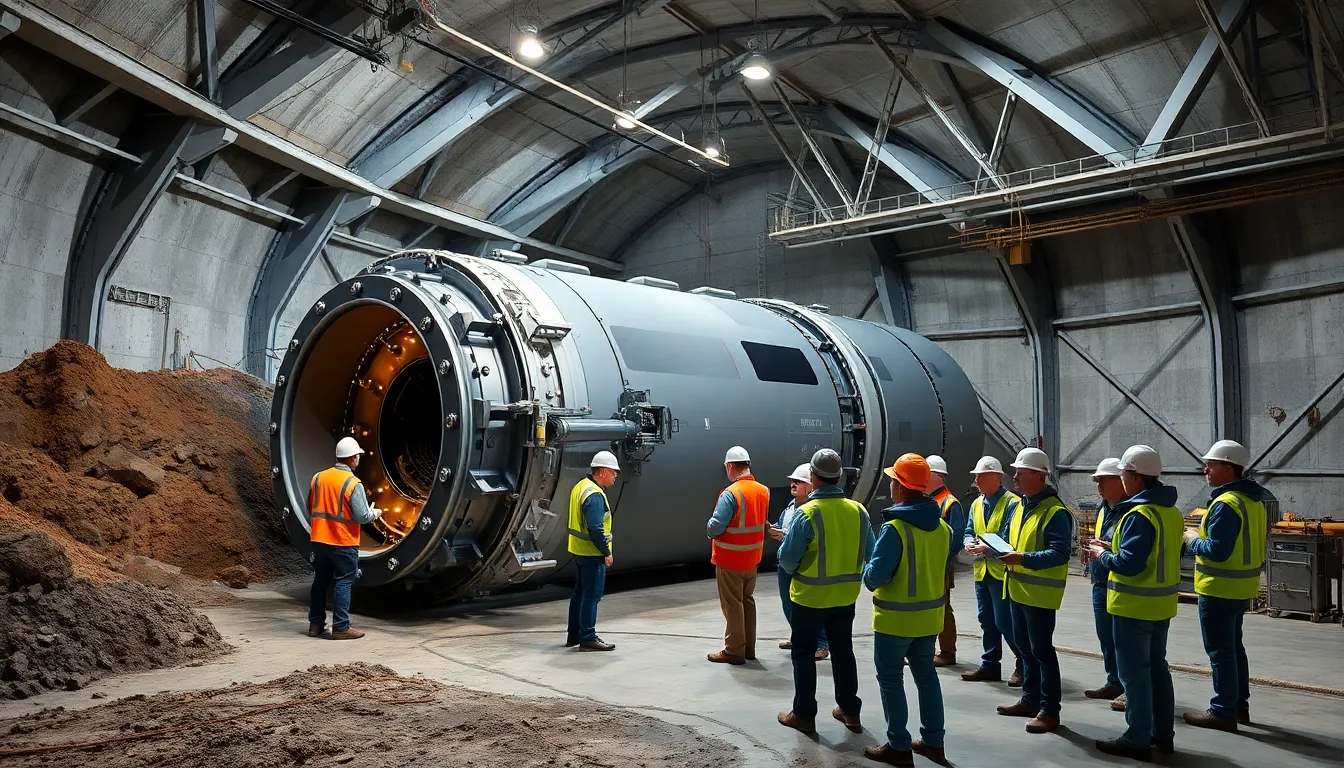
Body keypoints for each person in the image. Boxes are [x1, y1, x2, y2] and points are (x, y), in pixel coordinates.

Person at [1087, 446, 1182, 760]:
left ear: (1135, 477)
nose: (1120, 480)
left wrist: (1103, 554)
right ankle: (1161, 735)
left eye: (1123, 475)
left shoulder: (1138, 514)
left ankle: (1137, 739)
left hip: (1133, 606)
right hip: (1161, 605)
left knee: (1134, 675)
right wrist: (1112, 545)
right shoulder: (1170, 512)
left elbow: (1129, 563)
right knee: (1158, 671)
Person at [863, 454, 955, 767]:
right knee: (927, 678)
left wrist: (865, 570)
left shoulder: (895, 530)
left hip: (895, 621)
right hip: (929, 620)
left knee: (890, 680)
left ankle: (899, 747)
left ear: (901, 487)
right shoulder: (942, 528)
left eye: (893, 480)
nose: (890, 484)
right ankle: (933, 742)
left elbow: (875, 578)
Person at [776, 448, 876, 736]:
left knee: (804, 654)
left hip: (809, 598)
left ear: (813, 476)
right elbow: (871, 551)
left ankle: (804, 714)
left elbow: (787, 559)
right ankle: (850, 710)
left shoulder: (807, 514)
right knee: (843, 652)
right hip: (845, 597)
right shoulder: (859, 511)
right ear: (839, 477)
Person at [1183, 439, 1268, 732]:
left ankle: (1222, 711)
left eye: (1211, 465)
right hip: (1241, 588)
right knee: (1234, 648)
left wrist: (1192, 538)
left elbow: (1217, 549)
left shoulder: (1226, 504)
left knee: (1221, 651)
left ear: (1228, 468)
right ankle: (1238, 706)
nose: (1205, 470)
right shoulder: (1252, 502)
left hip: (1219, 588)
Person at [996, 447, 1072, 734]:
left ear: (1039, 476)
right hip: (1017, 590)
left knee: (1042, 652)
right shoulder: (1022, 506)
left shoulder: (1055, 513)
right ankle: (1030, 699)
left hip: (1039, 596)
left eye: (1020, 472)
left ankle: (1050, 710)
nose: (1014, 477)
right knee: (1026, 651)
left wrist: (1022, 559)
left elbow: (1059, 553)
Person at [307, 437, 382, 640]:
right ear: (352, 458)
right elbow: (362, 516)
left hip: (319, 539)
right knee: (343, 582)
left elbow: (310, 507)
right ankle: (341, 627)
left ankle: (315, 624)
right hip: (342, 542)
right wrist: (375, 512)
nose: (358, 459)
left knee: (321, 580)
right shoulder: (352, 483)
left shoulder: (318, 478)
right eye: (357, 456)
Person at [960, 456, 1023, 686]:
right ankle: (989, 665)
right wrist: (968, 542)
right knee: (986, 620)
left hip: (1001, 571)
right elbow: (969, 529)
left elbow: (1011, 535)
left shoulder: (1013, 503)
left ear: (996, 478)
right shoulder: (977, 503)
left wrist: (989, 548)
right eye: (976, 476)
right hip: (983, 571)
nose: (977, 480)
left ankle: (1022, 664)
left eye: (981, 476)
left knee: (1005, 621)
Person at [706, 446, 770, 665]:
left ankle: (734, 651)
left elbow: (715, 528)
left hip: (730, 559)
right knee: (747, 601)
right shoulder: (763, 491)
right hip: (752, 559)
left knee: (732, 605)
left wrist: (709, 526)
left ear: (730, 466)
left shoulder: (731, 494)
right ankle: (748, 649)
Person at [1081, 458, 1127, 710]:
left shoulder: (1129, 511)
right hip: (1100, 581)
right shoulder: (1104, 509)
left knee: (1123, 640)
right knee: (1106, 637)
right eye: (1097, 480)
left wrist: (1107, 549)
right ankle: (1114, 681)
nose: (1098, 485)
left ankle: (1128, 687)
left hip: (1118, 582)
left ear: (1120, 481)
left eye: (1103, 480)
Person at [770, 464, 829, 660]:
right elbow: (785, 526)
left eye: (799, 482)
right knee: (789, 603)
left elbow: (809, 537)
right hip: (786, 563)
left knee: (810, 607)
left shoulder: (812, 510)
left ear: (811, 485)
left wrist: (784, 535)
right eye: (792, 481)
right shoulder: (790, 506)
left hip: (804, 564)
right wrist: (776, 529)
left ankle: (821, 644)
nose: (793, 484)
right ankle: (799, 637)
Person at [566, 451, 621, 652]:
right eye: (614, 472)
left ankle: (574, 634)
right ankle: (588, 636)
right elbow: (596, 528)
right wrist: (606, 552)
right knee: (592, 596)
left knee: (579, 593)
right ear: (604, 471)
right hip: (592, 553)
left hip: (578, 551)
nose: (616, 476)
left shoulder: (580, 487)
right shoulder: (595, 495)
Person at [925, 455, 965, 668]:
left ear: (937, 476)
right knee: (929, 608)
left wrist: (939, 558)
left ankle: (948, 652)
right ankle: (927, 650)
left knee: (942, 608)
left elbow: (956, 538)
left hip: (940, 566)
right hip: (928, 564)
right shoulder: (929, 501)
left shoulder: (950, 503)